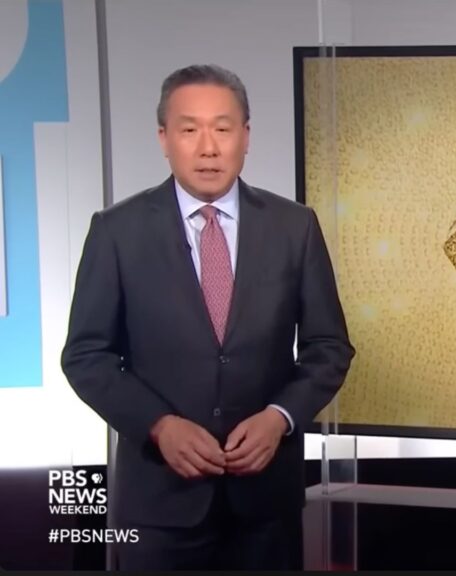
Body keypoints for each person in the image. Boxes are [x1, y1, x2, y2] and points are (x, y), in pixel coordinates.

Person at [61, 64, 355, 570]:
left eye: (222, 128)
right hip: (158, 505)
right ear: (164, 138)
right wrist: (157, 425)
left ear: (246, 136)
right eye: (189, 129)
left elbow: (329, 347)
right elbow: (87, 355)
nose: (208, 147)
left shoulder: (294, 227)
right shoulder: (116, 232)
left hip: (265, 505)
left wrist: (279, 419)